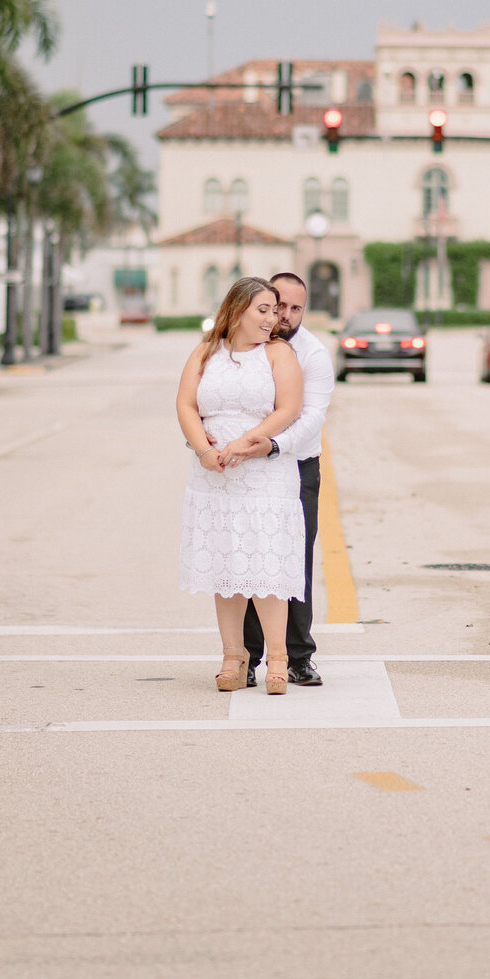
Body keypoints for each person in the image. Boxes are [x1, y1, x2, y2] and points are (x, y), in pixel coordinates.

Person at [176, 276, 305, 694]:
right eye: (262, 310)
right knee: (226, 567)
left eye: (275, 311)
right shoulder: (205, 352)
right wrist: (203, 450)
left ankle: (278, 659)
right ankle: (233, 657)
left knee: (266, 565)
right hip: (215, 477)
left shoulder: (278, 353)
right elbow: (186, 404)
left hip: (263, 475)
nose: (272, 319)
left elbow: (289, 408)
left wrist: (244, 442)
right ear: (237, 309)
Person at [224, 271, 335, 687]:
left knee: (293, 561)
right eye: (278, 305)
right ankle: (248, 658)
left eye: (295, 307)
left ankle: (298, 656)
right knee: (247, 559)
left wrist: (272, 446)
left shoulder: (313, 354)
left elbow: (311, 419)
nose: (285, 315)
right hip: (245, 467)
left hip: (297, 465)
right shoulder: (243, 346)